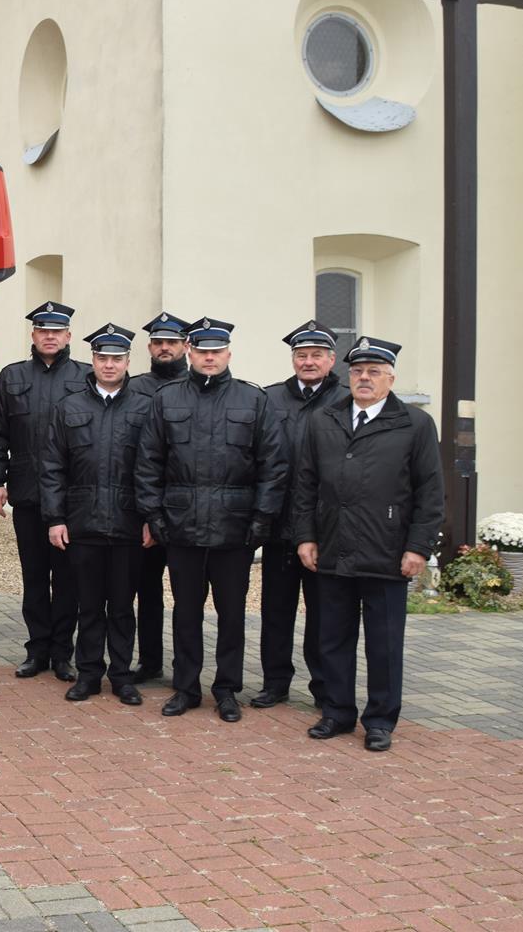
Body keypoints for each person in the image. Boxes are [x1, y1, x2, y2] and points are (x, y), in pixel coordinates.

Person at [292, 337, 443, 752]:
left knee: (384, 642)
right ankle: (337, 712)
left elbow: (430, 492)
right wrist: (305, 535)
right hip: (334, 548)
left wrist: (418, 547)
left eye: (374, 371)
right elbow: (305, 484)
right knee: (333, 637)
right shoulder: (325, 420)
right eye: (357, 371)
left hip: (388, 551)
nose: (364, 378)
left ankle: (379, 720)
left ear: (391, 378)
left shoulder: (414, 424)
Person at [135, 317, 286, 722]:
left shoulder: (252, 401)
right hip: (181, 527)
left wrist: (261, 520)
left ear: (228, 354)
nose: (208, 358)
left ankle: (227, 689)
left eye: (216, 351)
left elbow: (273, 466)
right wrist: (154, 514)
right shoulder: (167, 399)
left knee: (231, 615)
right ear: (190, 352)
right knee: (186, 613)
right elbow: (148, 462)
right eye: (202, 351)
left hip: (233, 529)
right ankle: (186, 688)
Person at [38, 322, 153, 707]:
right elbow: (52, 466)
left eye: (116, 359)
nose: (109, 365)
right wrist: (55, 518)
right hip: (82, 522)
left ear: (127, 362)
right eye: (103, 358)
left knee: (121, 607)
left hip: (128, 523)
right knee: (87, 605)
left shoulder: (145, 407)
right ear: (93, 360)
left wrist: (151, 518)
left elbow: (155, 466)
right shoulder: (70, 407)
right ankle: (88, 675)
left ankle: (121, 677)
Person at [0, 302, 91, 681]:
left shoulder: (86, 377)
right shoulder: (12, 377)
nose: (50, 336)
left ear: (68, 337)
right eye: (43, 330)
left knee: (67, 579)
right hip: (27, 490)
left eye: (57, 331)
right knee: (33, 576)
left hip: (72, 496)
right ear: (33, 336)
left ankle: (63, 653)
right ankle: (37, 650)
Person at [251, 321, 346, 712]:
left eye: (316, 355)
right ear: (293, 359)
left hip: (325, 529)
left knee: (324, 614)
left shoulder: (345, 399)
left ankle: (324, 687)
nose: (308, 362)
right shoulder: (271, 398)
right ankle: (275, 682)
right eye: (301, 355)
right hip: (279, 525)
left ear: (331, 359)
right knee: (276, 610)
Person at [125, 312, 190, 683]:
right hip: (143, 509)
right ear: (150, 347)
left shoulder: (196, 385)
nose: (165, 348)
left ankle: (186, 668)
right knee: (146, 591)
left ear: (185, 347)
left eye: (172, 342)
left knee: (187, 596)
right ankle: (149, 662)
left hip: (183, 508)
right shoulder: (134, 388)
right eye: (158, 342)